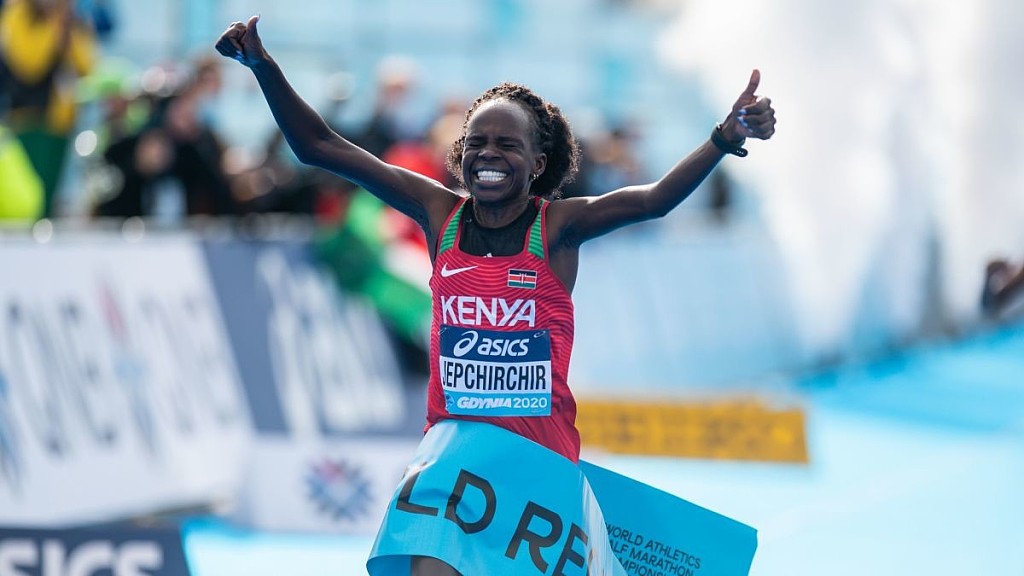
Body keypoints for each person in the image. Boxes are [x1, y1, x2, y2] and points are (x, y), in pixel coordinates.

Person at [217, 15, 775, 576]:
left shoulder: (558, 228)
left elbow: (654, 200)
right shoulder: (439, 213)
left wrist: (722, 140)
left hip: (539, 464)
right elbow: (318, 146)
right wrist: (262, 66)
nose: (488, 154)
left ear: (537, 164)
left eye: (508, 145)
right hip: (451, 461)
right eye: (477, 142)